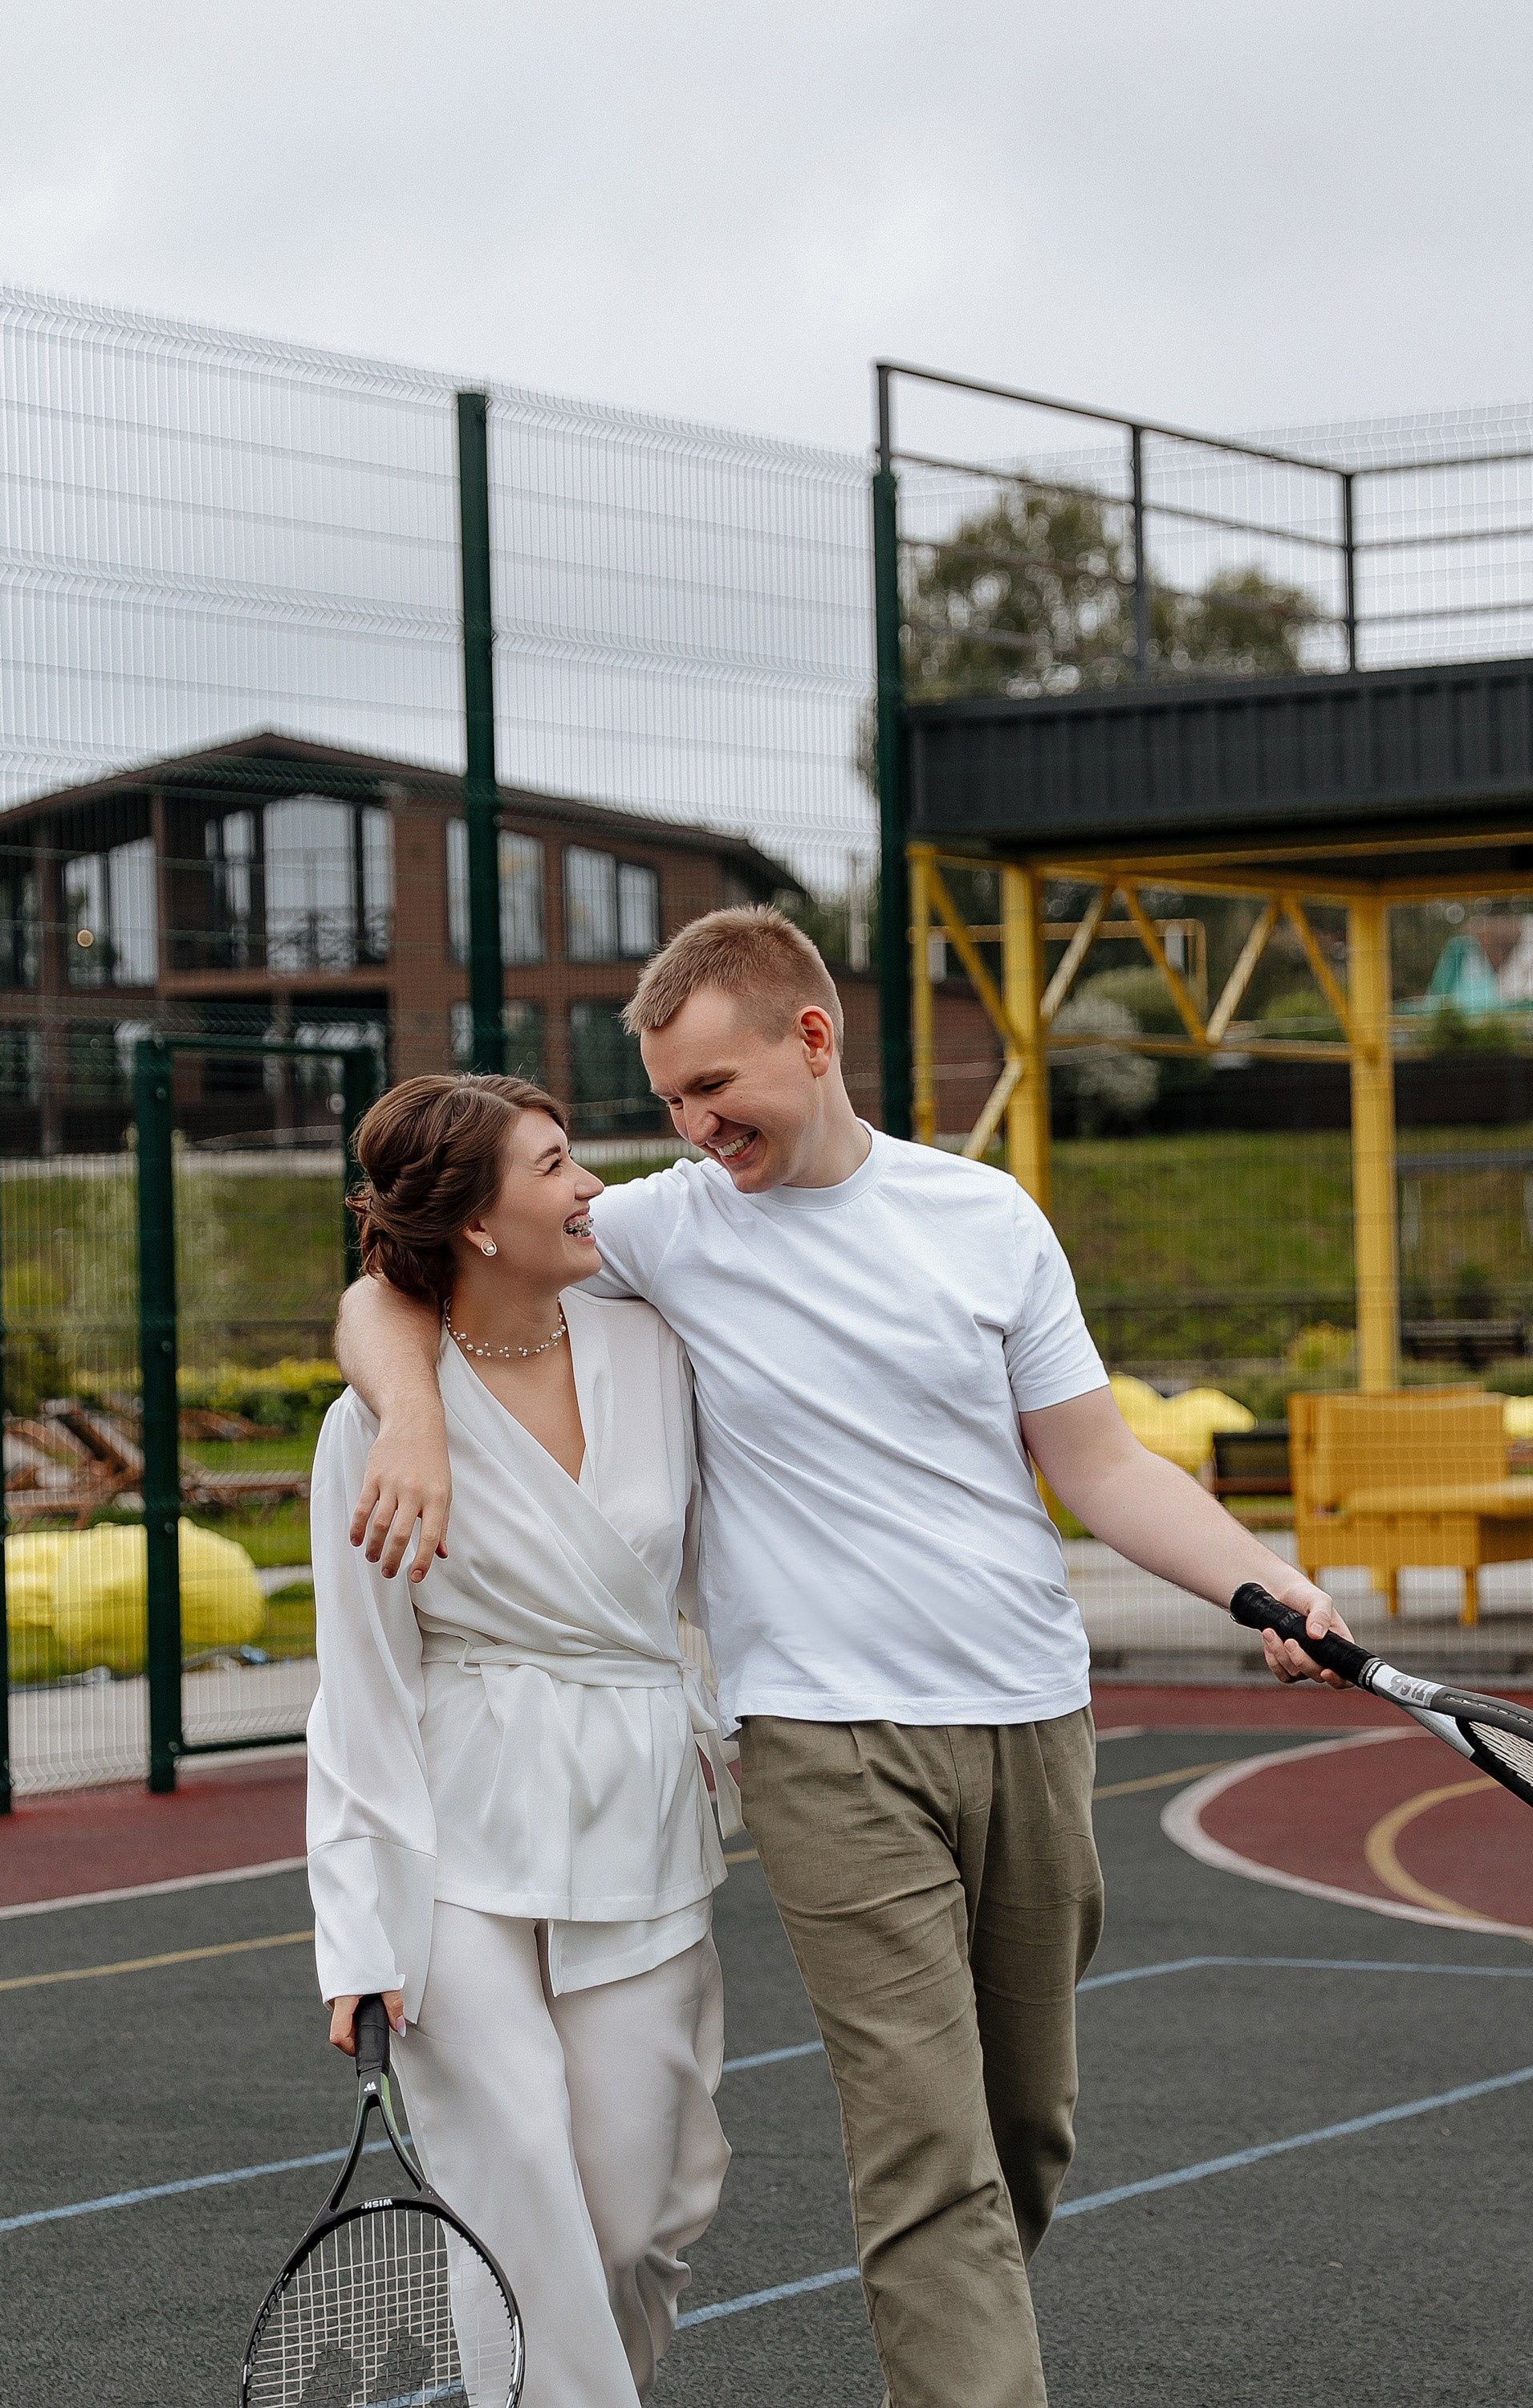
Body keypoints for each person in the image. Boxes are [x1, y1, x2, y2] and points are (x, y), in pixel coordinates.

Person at [335, 909, 1351, 2408]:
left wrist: (1269, 1585)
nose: (689, 1129)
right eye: (672, 1101)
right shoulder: (666, 1230)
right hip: (820, 1747)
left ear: (812, 1041)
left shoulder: (988, 1218)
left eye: (713, 1089)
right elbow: (401, 1280)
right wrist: (413, 1423)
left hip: (1029, 1721)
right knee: (923, 2151)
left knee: (1022, 2132)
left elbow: (1103, 1466)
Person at [306, 1072, 736, 2408]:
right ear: (479, 1224)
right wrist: (362, 1934)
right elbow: (362, 1685)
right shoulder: (365, 1427)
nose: (591, 1183)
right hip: (452, 1850)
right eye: (553, 1164)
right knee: (517, 2196)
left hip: (643, 1820)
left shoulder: (656, 1352)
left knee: (634, 2222)